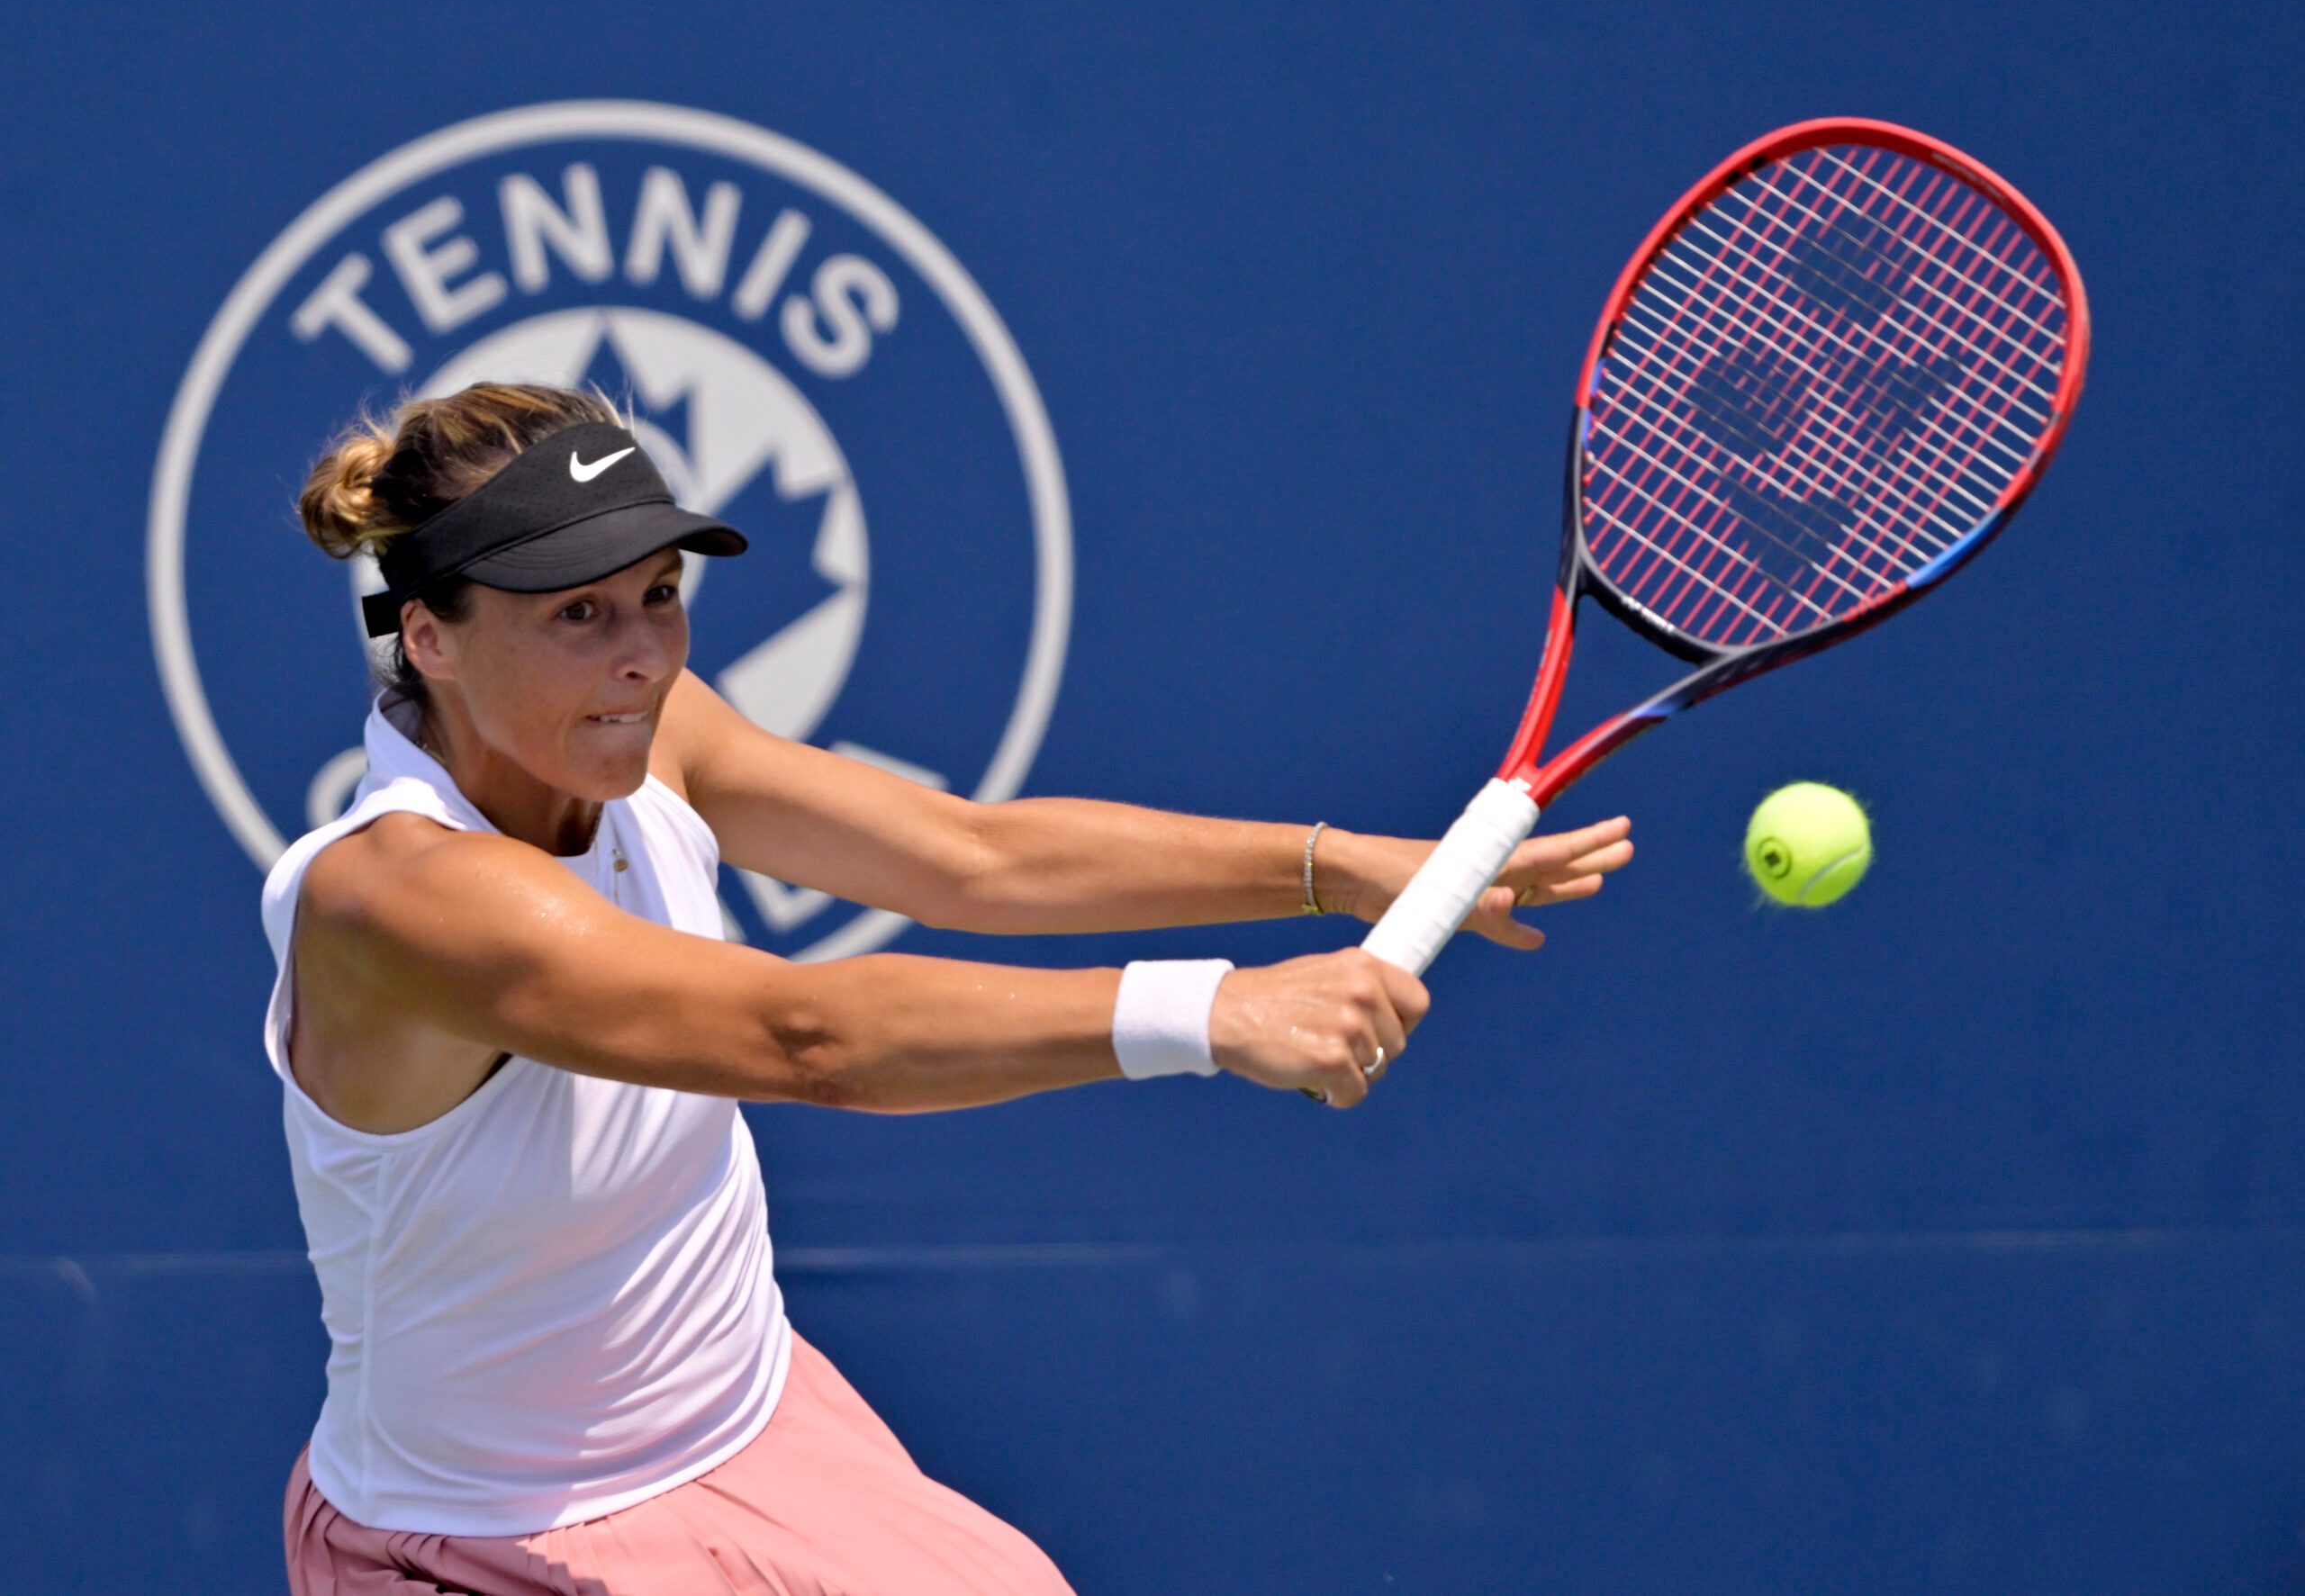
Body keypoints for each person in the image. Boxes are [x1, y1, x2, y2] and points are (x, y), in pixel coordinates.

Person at [266, 382, 1633, 1595]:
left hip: (748, 1425)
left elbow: (969, 857)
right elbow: (803, 1038)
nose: (641, 655)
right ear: (429, 637)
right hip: (480, 1538)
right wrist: (1210, 1011)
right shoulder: (394, 901)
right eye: (578, 614)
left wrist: (1336, 866)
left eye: (659, 597)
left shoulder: (644, 727)